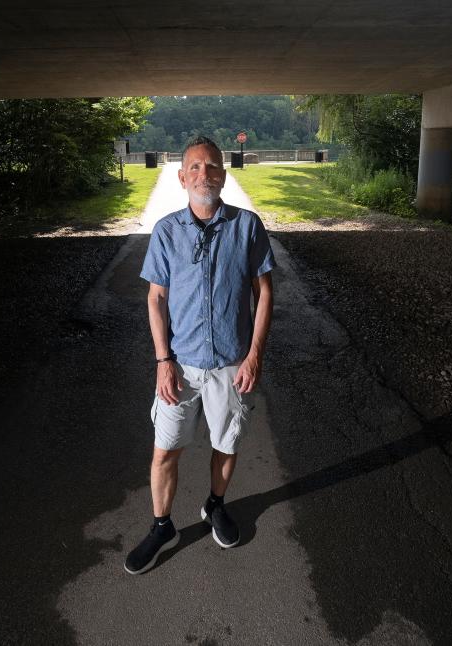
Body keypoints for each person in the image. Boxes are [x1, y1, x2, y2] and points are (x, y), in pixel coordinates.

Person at [124, 136, 276, 575]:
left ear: (223, 176)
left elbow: (264, 292)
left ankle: (215, 505)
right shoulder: (167, 232)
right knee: (164, 450)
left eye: (212, 167)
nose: (203, 174)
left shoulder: (247, 226)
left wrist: (254, 356)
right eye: (194, 168)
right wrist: (162, 360)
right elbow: (156, 299)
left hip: (232, 364)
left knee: (225, 444)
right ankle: (162, 526)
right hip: (180, 367)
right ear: (181, 178)